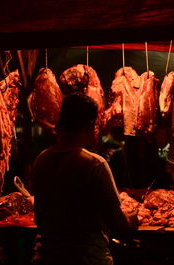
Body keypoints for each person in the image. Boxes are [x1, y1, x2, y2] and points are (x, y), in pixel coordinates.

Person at [31, 93, 138, 265]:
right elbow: (118, 223)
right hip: (86, 258)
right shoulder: (94, 164)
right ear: (90, 126)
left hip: (46, 257)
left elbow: (41, 215)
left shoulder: (41, 160)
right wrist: (132, 217)